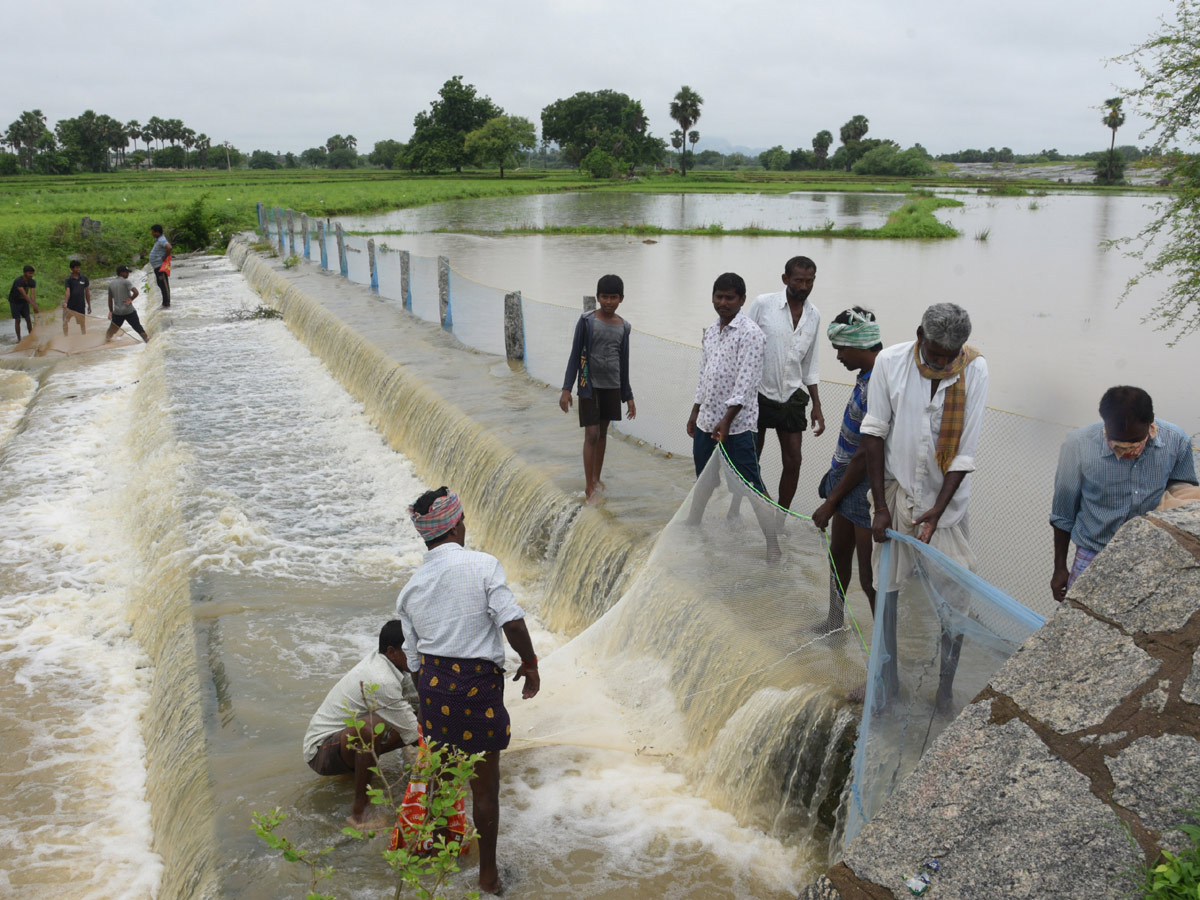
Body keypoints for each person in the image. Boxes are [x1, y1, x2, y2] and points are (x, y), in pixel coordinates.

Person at [395, 487, 539, 896]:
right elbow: (511, 622)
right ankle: (488, 878)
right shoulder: (482, 566)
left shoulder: (411, 587)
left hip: (435, 689)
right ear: (456, 526)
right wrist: (530, 665)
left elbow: (413, 658)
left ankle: (445, 855)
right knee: (484, 787)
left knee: (441, 776)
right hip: (477, 689)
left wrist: (428, 698)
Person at [860, 303, 988, 714]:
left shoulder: (975, 370)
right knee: (888, 589)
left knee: (957, 591)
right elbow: (875, 431)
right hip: (896, 494)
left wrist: (936, 510)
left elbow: (964, 453)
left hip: (946, 505)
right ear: (920, 337)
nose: (942, 364)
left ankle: (945, 689)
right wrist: (880, 505)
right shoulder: (890, 362)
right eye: (934, 355)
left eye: (949, 358)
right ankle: (889, 679)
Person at [1050, 386, 1197, 600]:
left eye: (1135, 441)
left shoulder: (1177, 441)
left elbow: (1183, 495)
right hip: (1094, 552)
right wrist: (1060, 568)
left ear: (1150, 423)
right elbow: (1063, 513)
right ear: (1105, 423)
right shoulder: (1078, 444)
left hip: (1150, 554)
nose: (1127, 449)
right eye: (1118, 442)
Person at [685, 273, 779, 560]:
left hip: (737, 427)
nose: (723, 303)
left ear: (742, 300)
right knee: (704, 479)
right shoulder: (712, 330)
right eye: (718, 297)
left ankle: (772, 545)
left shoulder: (751, 334)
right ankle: (692, 523)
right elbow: (704, 374)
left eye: (729, 298)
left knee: (752, 486)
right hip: (706, 420)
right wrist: (695, 410)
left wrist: (726, 420)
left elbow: (746, 383)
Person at [302, 620, 420, 827]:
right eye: (411, 650)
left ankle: (353, 769)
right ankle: (360, 811)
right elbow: (414, 733)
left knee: (414, 716)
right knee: (369, 729)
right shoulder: (382, 679)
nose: (418, 656)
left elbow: (418, 704)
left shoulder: (392, 664)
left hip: (341, 743)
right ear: (392, 651)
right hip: (321, 751)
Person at [811, 308, 882, 634]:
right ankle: (834, 622)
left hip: (865, 485)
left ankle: (884, 659)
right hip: (844, 479)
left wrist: (831, 501)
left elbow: (867, 454)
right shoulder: (865, 376)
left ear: (862, 345)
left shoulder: (879, 385)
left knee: (871, 579)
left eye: (842, 348)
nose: (838, 356)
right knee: (838, 555)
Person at [745, 256, 826, 512]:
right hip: (757, 393)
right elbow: (744, 345)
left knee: (794, 461)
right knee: (751, 458)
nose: (804, 287)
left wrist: (817, 405)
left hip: (791, 394)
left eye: (809, 281)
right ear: (785, 279)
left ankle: (780, 515)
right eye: (798, 280)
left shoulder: (814, 315)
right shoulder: (763, 304)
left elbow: (809, 364)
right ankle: (742, 504)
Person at [559, 274, 637, 503]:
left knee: (603, 433)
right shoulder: (587, 322)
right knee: (591, 433)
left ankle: (596, 477)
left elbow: (624, 363)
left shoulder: (624, 327)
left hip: (611, 386)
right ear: (598, 297)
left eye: (614, 297)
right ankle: (588, 486)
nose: (609, 302)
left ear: (621, 299)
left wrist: (628, 396)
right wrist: (566, 388)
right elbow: (576, 355)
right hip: (588, 385)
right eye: (604, 297)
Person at [106, 265, 150, 344]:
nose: (128, 274)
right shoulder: (126, 282)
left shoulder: (111, 284)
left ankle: (105, 343)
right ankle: (149, 344)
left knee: (111, 331)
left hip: (117, 312)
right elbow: (136, 292)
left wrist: (110, 311)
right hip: (129, 311)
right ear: (122, 273)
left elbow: (110, 299)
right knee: (138, 328)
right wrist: (131, 299)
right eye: (127, 272)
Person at [62, 259, 91, 336]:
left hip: (80, 305)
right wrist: (65, 302)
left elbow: (87, 292)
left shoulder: (84, 278)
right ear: (71, 269)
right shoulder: (68, 280)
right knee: (65, 322)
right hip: (70, 306)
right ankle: (65, 337)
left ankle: (83, 337)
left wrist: (89, 305)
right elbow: (67, 291)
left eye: (79, 267)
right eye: (76, 268)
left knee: (82, 323)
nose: (78, 269)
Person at [9, 265, 37, 341]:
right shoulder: (18, 281)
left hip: (23, 301)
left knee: (28, 318)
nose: (31, 275)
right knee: (18, 320)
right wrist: (33, 304)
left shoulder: (32, 281)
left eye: (32, 273)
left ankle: (31, 337)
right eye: (30, 273)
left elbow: (32, 294)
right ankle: (19, 339)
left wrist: (34, 304)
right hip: (14, 301)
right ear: (25, 273)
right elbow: (24, 294)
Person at [149, 224, 172, 308]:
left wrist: (164, 257)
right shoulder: (159, 239)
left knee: (164, 285)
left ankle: (166, 303)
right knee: (160, 284)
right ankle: (165, 303)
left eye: (153, 232)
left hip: (160, 266)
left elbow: (169, 248)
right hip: (157, 266)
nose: (152, 234)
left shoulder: (162, 240)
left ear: (157, 232)